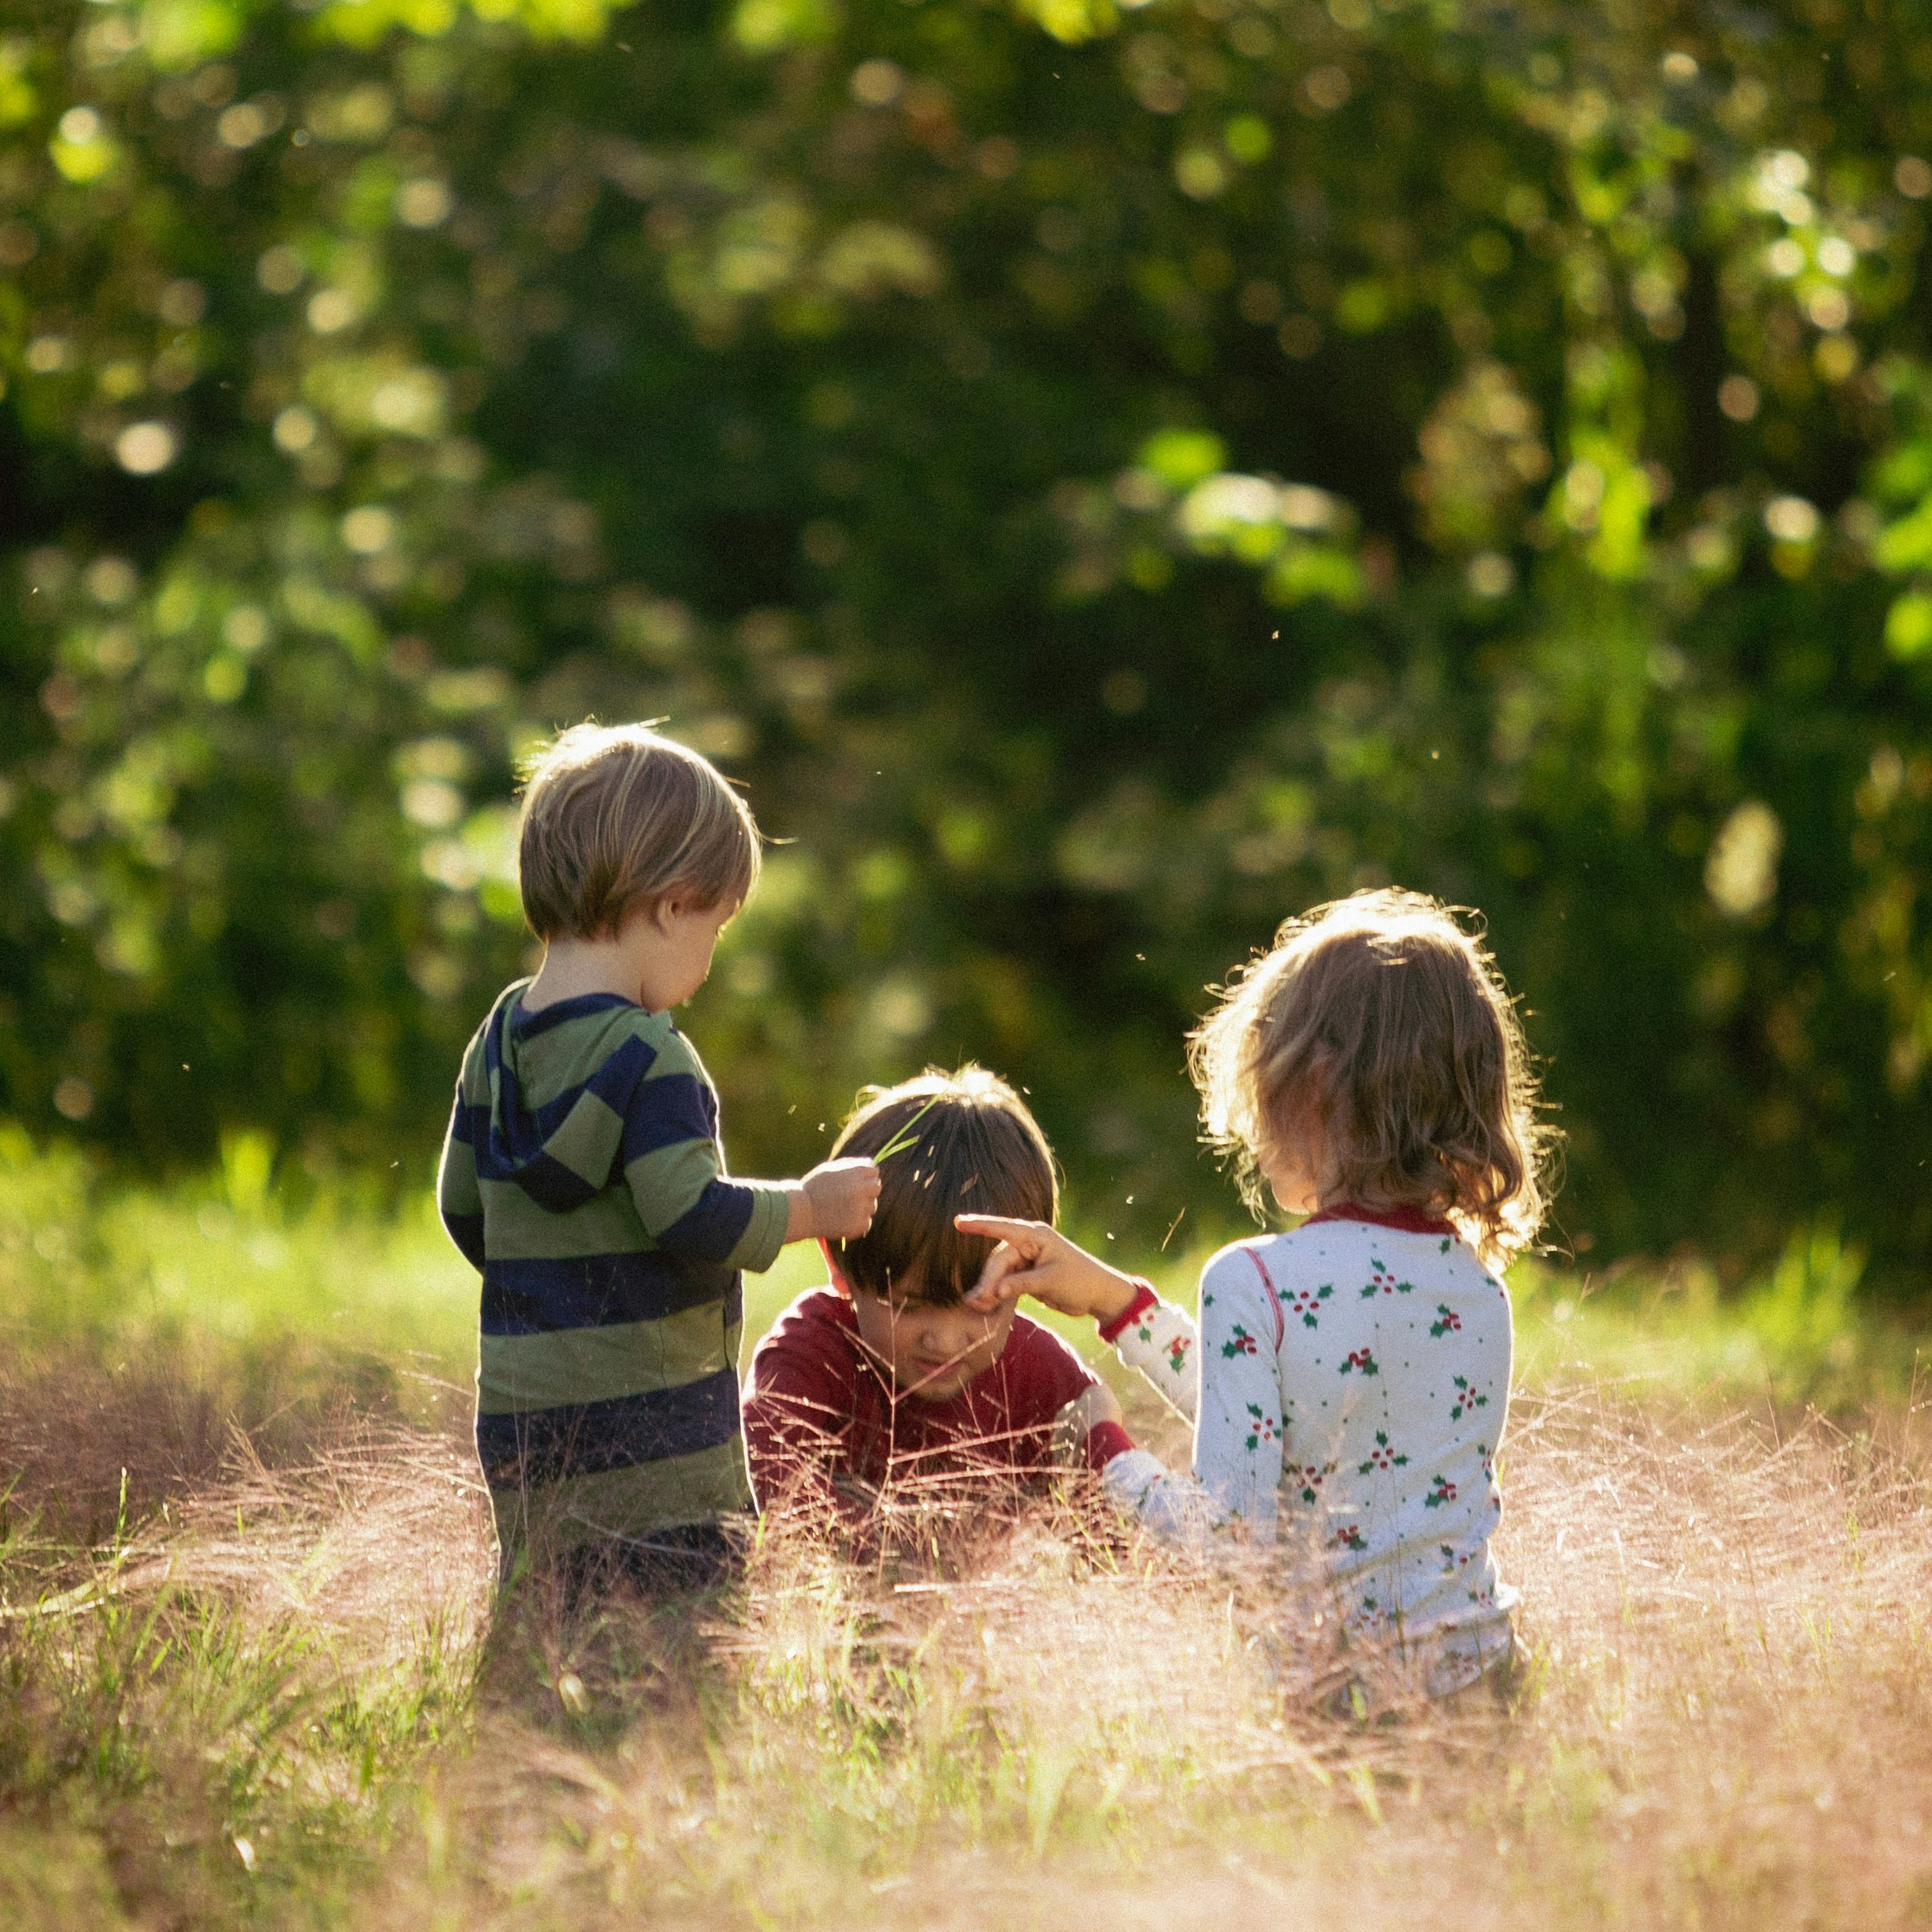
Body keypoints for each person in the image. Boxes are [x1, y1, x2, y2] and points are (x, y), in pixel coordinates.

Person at [961, 888, 1553, 1698]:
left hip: (1336, 1710)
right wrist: (1116, 1304)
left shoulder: (1256, 1281)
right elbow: (1298, 1411)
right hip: (1484, 1688)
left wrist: (1103, 1456)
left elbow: (1230, 1544)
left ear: (1310, 1087)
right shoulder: (1476, 1291)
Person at [436, 723, 880, 1594]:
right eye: (716, 927)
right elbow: (690, 1214)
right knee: (686, 1622)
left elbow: (462, 1207)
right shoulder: (650, 1055)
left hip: (525, 1421)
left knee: (550, 1605)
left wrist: (552, 1295)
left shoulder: (497, 1041)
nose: (709, 959)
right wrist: (809, 1206)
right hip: (656, 1434)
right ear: (673, 907)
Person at [742, 1067, 1134, 1532]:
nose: (945, 1342)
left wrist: (1100, 1439)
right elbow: (782, 1506)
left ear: (1027, 1278)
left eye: (984, 1306)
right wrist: (933, 1553)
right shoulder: (809, 1360)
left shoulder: (1040, 1376)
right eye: (909, 1305)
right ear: (839, 1263)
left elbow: (1127, 1537)